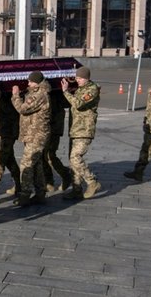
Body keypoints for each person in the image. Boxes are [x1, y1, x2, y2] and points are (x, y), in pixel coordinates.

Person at [11, 71, 51, 207]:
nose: (28, 83)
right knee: (37, 164)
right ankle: (40, 193)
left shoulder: (39, 95)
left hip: (36, 135)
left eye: (31, 82)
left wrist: (15, 95)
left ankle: (25, 195)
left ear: (37, 82)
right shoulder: (35, 93)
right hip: (33, 134)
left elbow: (23, 109)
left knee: (26, 164)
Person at [61, 67, 102, 200]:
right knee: (72, 162)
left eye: (80, 78)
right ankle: (76, 189)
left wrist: (66, 92)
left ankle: (92, 182)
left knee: (75, 158)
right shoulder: (80, 89)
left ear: (87, 78)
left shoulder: (92, 89)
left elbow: (78, 104)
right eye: (77, 78)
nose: (77, 80)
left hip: (84, 130)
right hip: (75, 130)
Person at [42, 90, 72, 192]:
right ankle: (49, 181)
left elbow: (67, 103)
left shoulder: (56, 92)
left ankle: (65, 175)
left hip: (54, 127)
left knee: (50, 155)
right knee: (43, 156)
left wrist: (65, 91)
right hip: (43, 128)